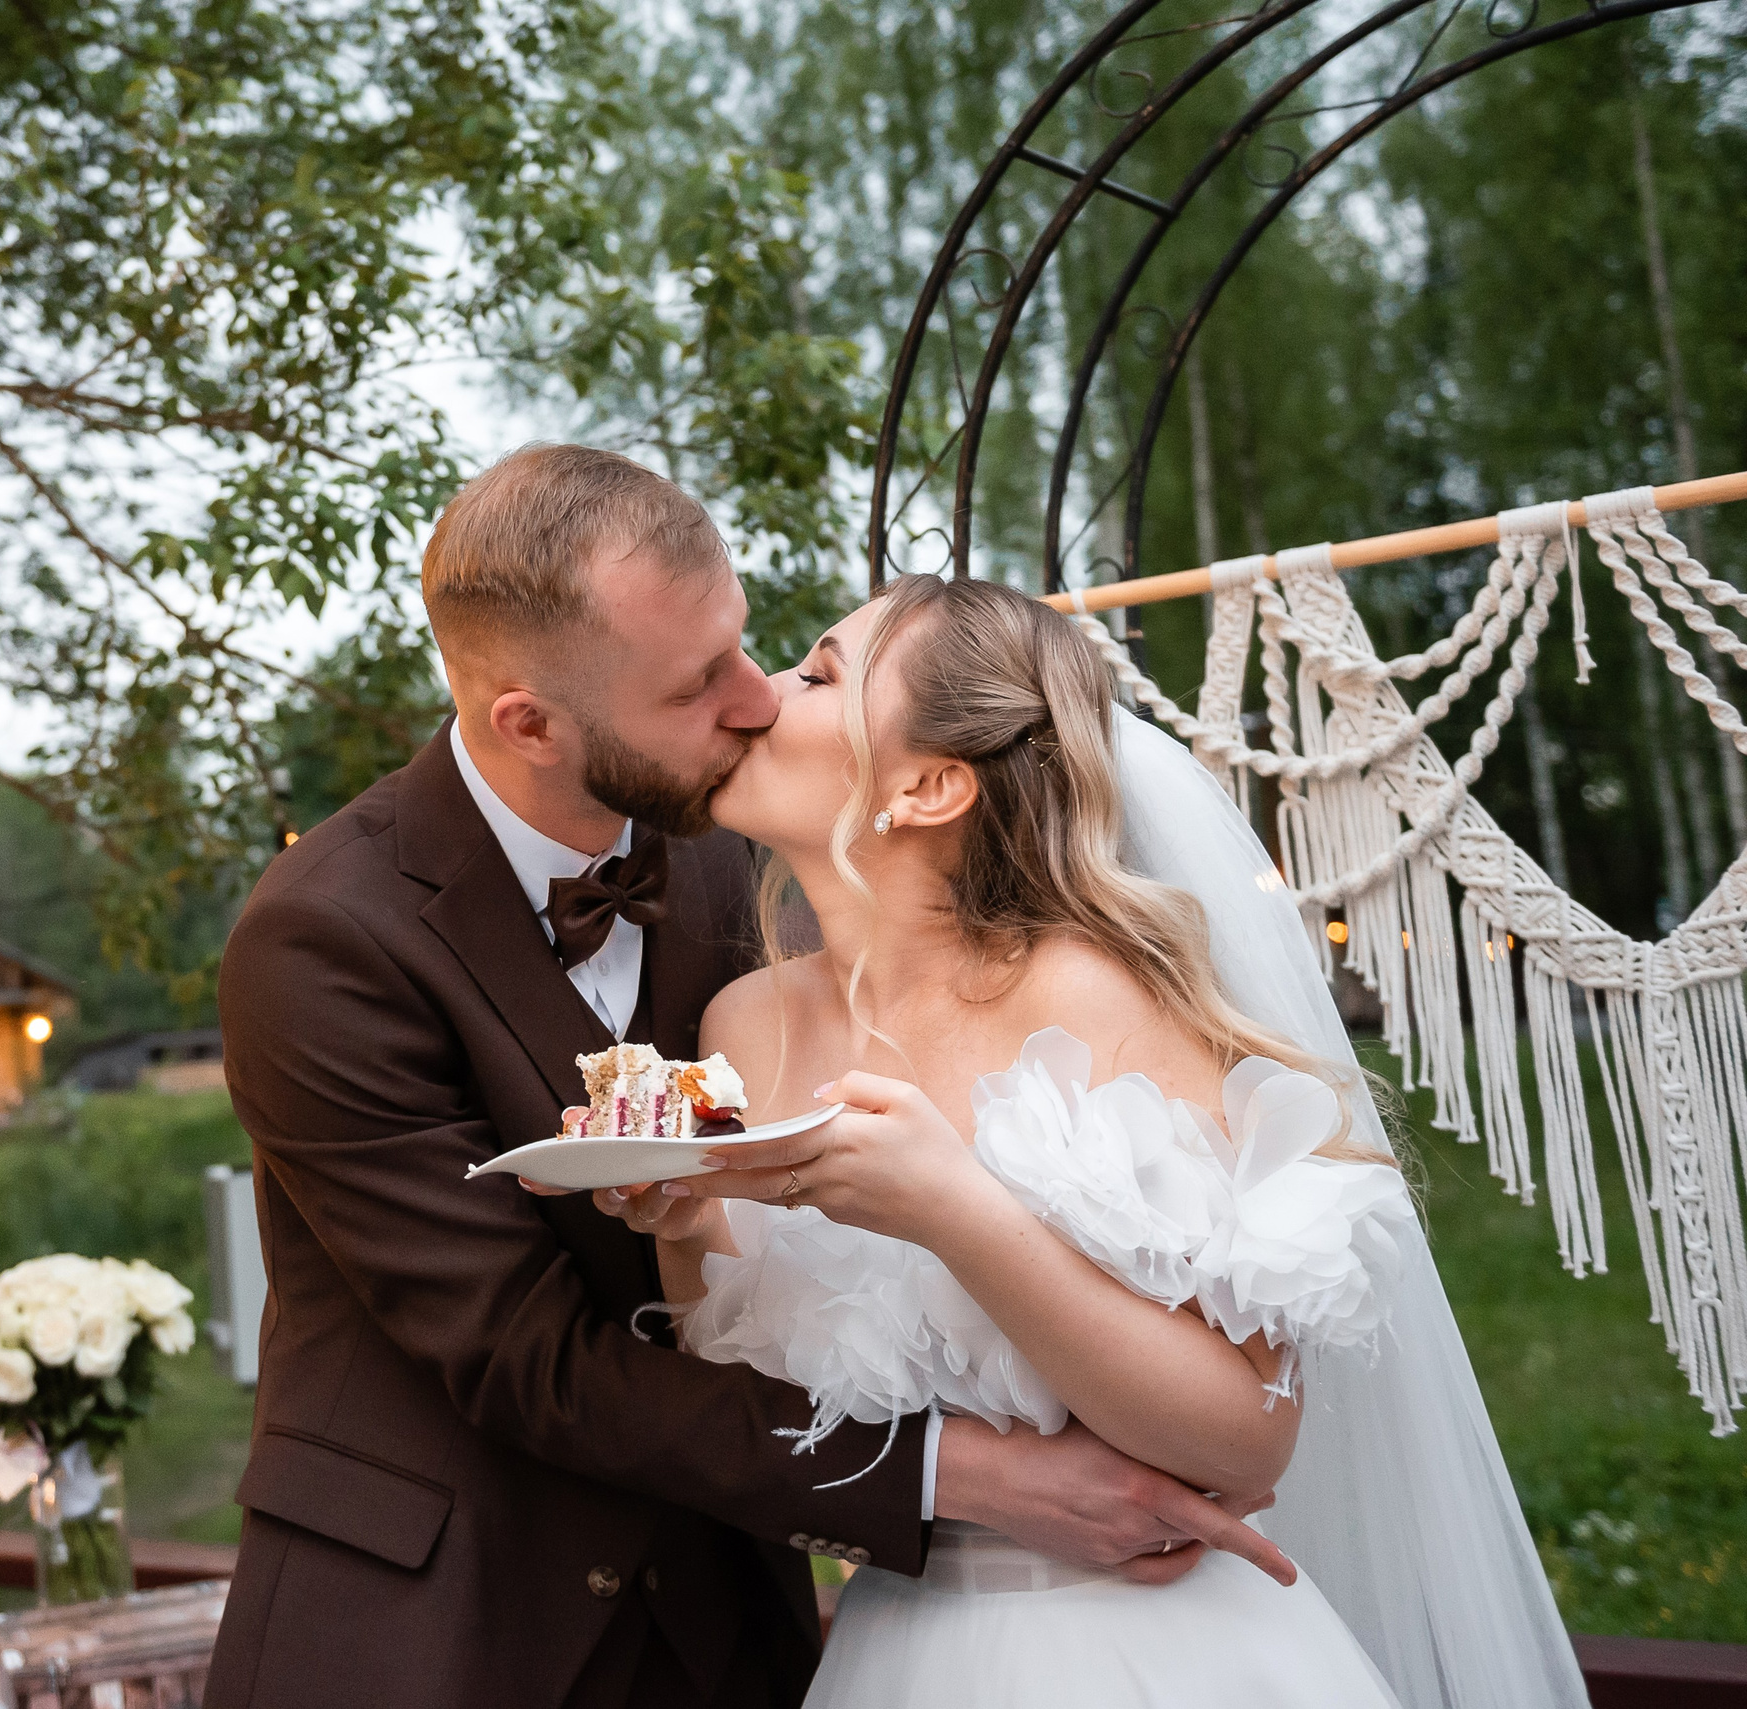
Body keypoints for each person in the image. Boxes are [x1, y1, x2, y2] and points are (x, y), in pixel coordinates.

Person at [208, 446, 1286, 1709]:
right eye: (695, 682)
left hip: (728, 1630)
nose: (753, 696)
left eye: (750, 644)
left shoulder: (735, 867)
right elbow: (523, 1356)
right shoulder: (322, 938)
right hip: (440, 1624)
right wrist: (966, 1476)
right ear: (530, 721)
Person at [584, 573, 1590, 1708]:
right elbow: (748, 1406)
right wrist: (676, 1218)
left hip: (1155, 1649)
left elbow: (1244, 1443)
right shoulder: (745, 1024)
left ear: (926, 784)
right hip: (896, 1648)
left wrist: (950, 1209)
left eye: (817, 673)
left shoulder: (1091, 999)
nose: (761, 696)